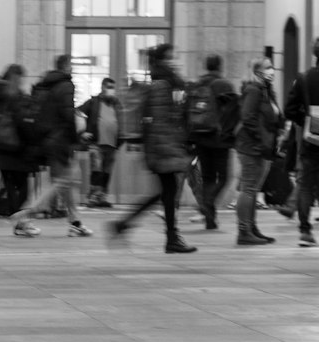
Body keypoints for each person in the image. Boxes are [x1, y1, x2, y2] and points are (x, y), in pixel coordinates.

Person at [109, 43, 196, 254]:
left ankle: (132, 227)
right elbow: (160, 123)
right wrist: (175, 148)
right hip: (162, 148)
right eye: (169, 58)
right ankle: (168, 237)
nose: (174, 61)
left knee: (165, 193)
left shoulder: (166, 82)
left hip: (163, 147)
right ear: (161, 61)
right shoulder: (162, 85)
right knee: (166, 193)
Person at [12, 54, 92, 238]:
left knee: (68, 181)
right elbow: (67, 114)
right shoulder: (66, 85)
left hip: (47, 139)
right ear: (66, 66)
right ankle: (26, 214)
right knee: (62, 182)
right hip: (61, 140)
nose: (73, 69)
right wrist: (75, 137)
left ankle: (75, 223)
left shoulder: (45, 83)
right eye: (71, 65)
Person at [186, 53, 239, 230]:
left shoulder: (197, 84)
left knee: (207, 177)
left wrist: (191, 137)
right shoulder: (224, 84)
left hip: (201, 137)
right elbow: (232, 112)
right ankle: (207, 203)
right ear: (220, 66)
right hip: (219, 138)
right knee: (224, 178)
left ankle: (210, 220)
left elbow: (190, 112)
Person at [0, 64, 36, 231]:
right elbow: (21, 120)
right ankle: (18, 220)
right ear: (17, 77)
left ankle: (10, 217)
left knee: (10, 185)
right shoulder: (16, 95)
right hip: (15, 145)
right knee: (24, 186)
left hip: (0, 145)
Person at [234, 56, 281, 247]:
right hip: (251, 148)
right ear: (257, 71)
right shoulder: (253, 90)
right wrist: (260, 140)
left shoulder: (266, 91)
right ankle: (244, 231)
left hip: (262, 148)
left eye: (272, 67)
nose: (272, 70)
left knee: (253, 189)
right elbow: (247, 117)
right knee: (249, 188)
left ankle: (252, 228)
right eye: (268, 67)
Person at [284, 36, 319, 247]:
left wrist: (305, 120)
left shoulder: (304, 78)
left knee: (305, 185)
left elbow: (289, 109)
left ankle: (305, 231)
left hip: (311, 139)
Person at [79, 77, 124, 208]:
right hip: (96, 143)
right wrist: (82, 132)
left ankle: (102, 196)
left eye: (112, 88)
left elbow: (121, 120)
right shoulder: (93, 102)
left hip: (112, 144)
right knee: (97, 171)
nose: (111, 90)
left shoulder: (116, 104)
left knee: (106, 173)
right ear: (102, 88)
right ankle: (93, 197)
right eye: (109, 87)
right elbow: (78, 113)